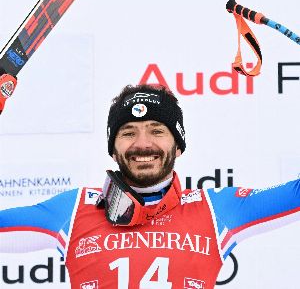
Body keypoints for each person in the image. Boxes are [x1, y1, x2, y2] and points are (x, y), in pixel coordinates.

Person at [0, 84, 299, 289]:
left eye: (157, 131)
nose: (143, 144)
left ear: (178, 146)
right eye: (128, 132)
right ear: (113, 149)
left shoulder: (216, 208)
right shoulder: (75, 208)